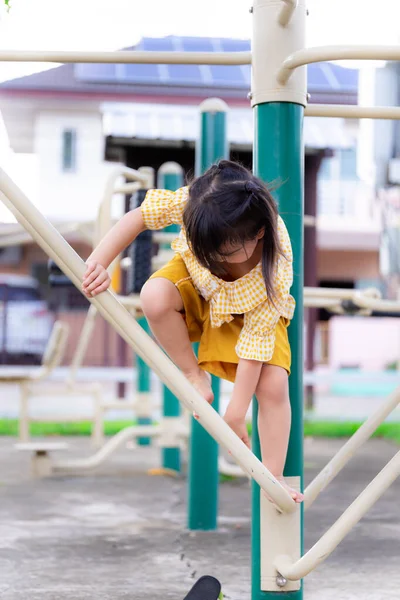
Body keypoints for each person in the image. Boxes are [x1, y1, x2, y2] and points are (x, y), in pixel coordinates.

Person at [82, 160, 303, 503]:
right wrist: (98, 261)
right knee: (153, 297)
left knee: (273, 385)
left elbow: (255, 346)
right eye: (206, 249)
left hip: (249, 311)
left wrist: (236, 413)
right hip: (197, 284)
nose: (214, 257)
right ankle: (192, 372)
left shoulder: (274, 271)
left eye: (224, 251)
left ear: (259, 231)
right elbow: (137, 218)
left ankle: (271, 476)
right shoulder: (195, 203)